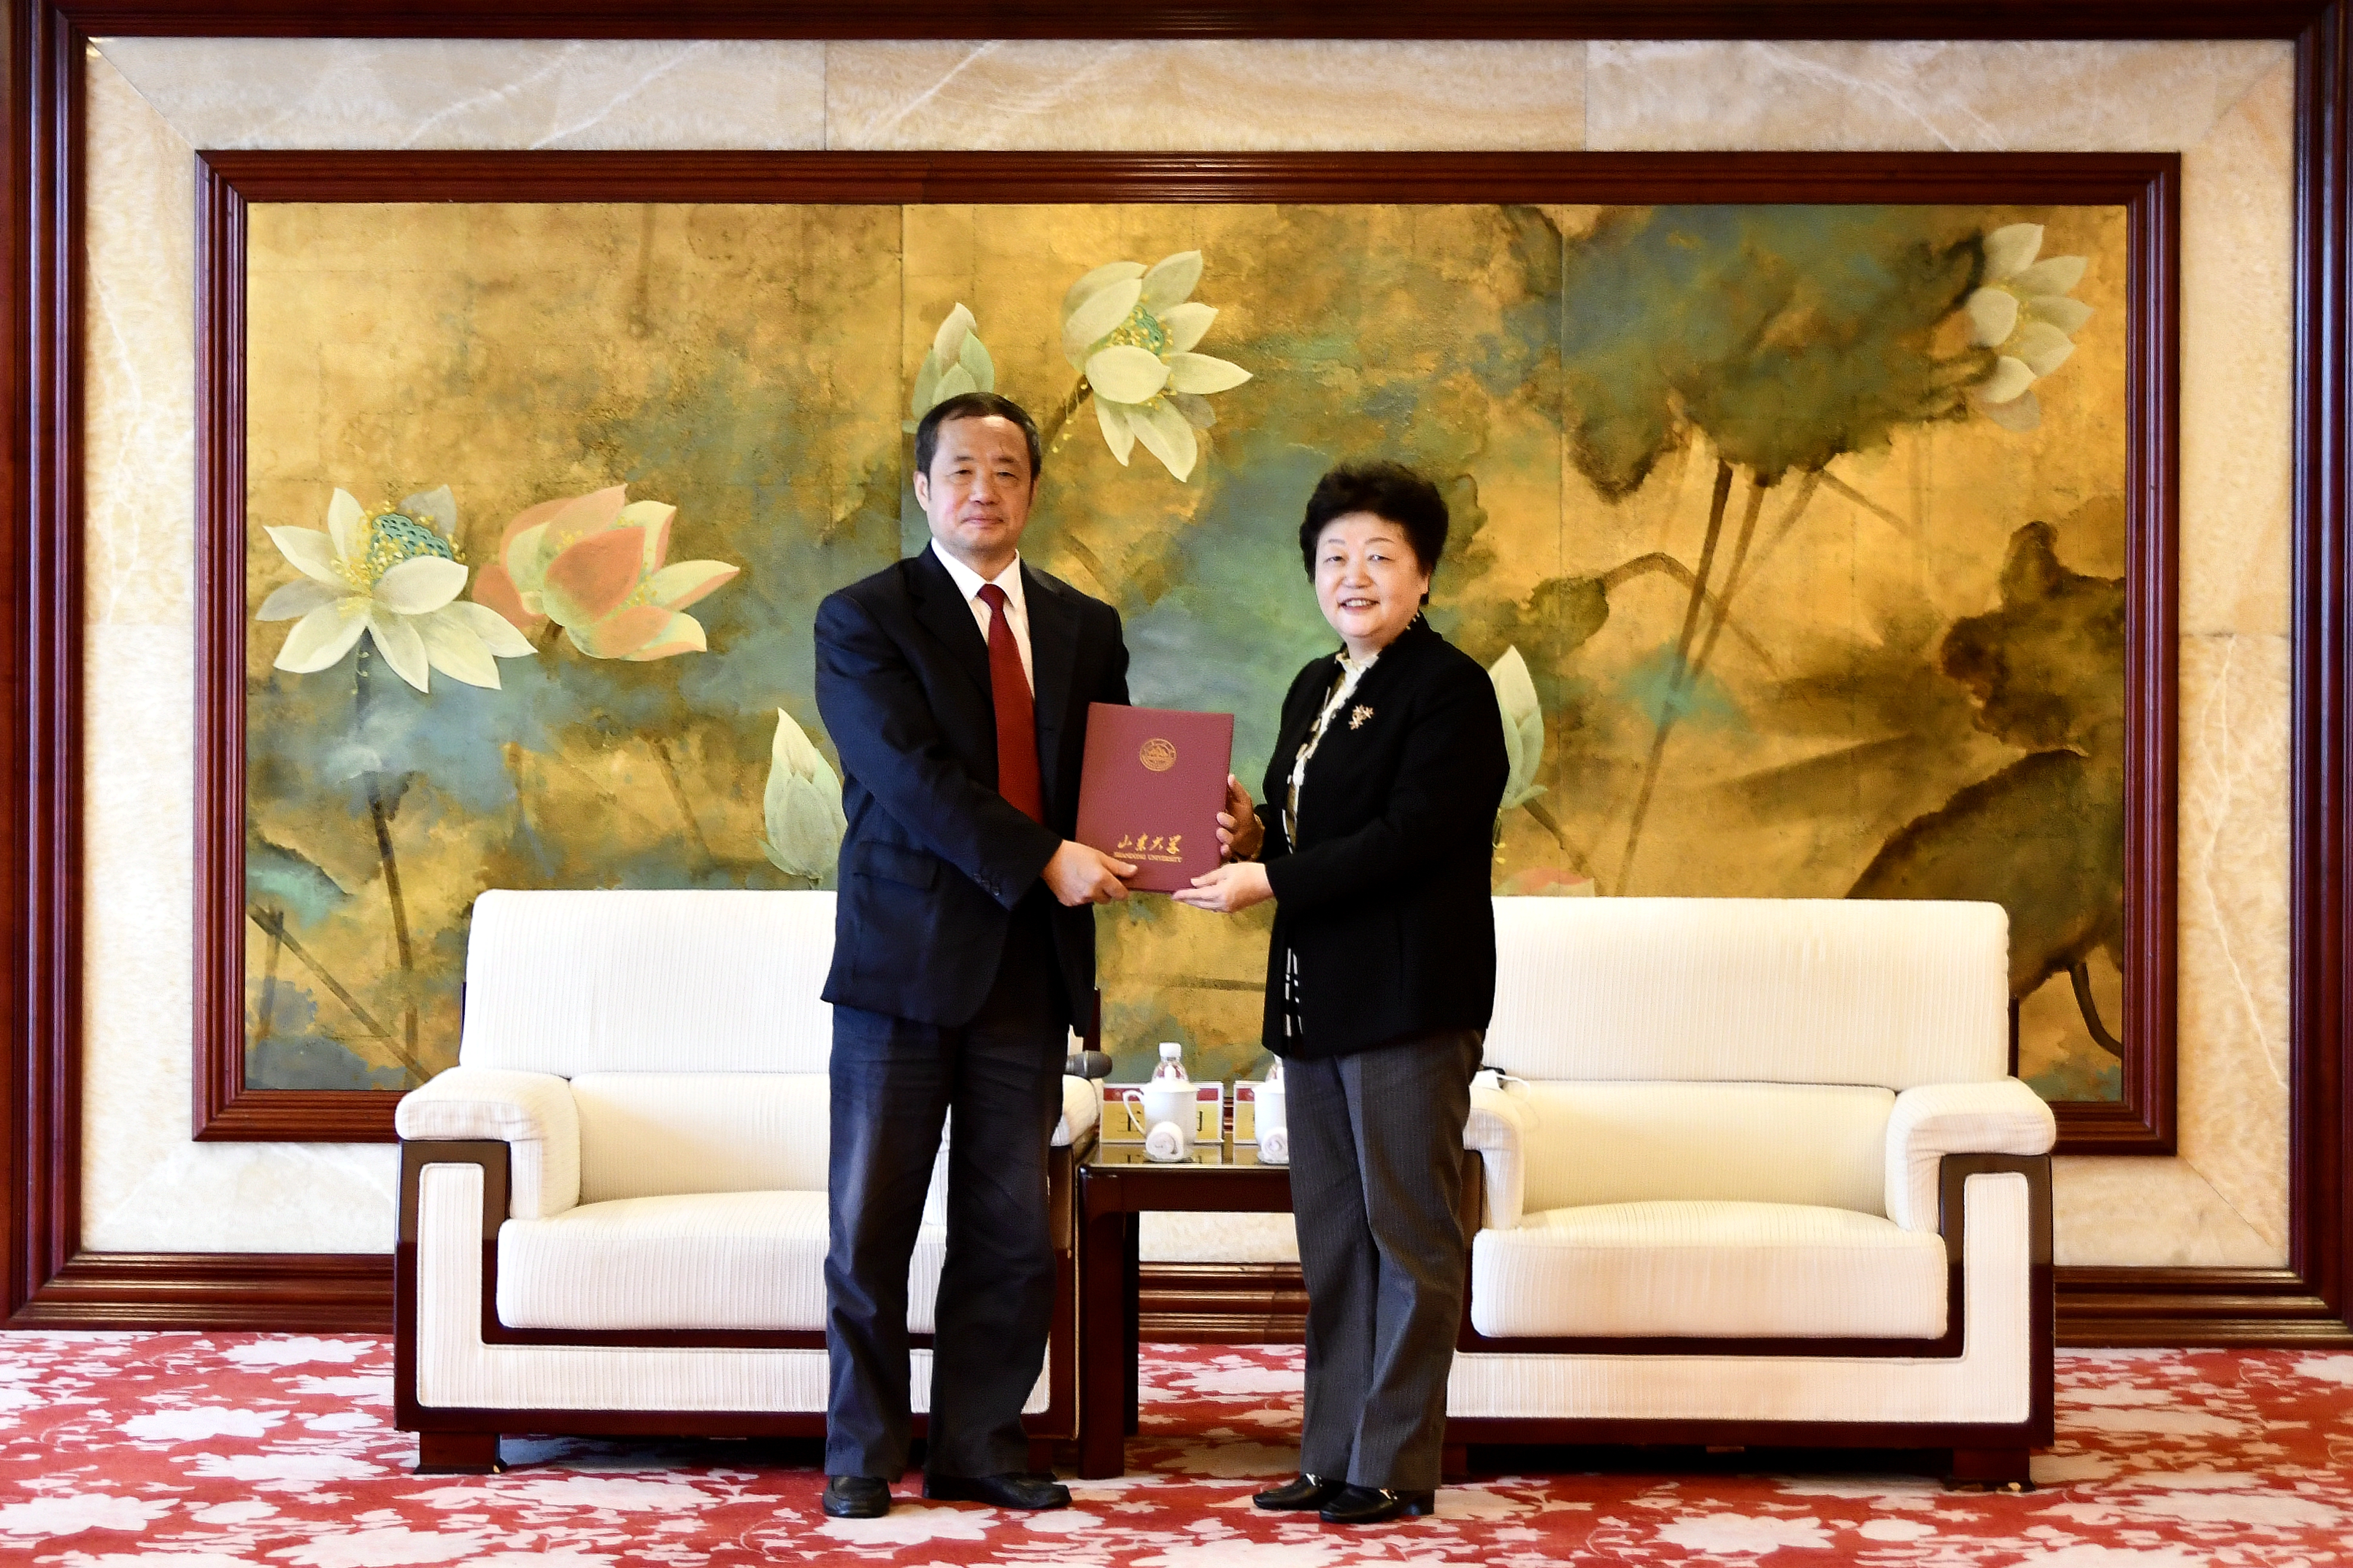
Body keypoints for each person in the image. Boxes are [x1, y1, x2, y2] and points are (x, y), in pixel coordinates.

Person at [814, 391, 1136, 1520]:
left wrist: (1195, 824)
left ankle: (979, 1443)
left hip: (1029, 969)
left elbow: (1111, 779)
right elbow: (909, 778)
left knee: (1010, 1227)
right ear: (922, 488)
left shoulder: (1085, 624)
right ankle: (861, 1450)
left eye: (1006, 471)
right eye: (960, 469)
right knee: (872, 1222)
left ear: (1033, 490)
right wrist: (1045, 854)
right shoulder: (863, 618)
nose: (983, 491)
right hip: (901, 966)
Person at [1174, 460, 1508, 1525]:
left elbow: (1410, 839)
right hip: (1316, 1002)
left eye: (1379, 556)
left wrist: (1269, 878)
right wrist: (1252, 835)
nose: (1353, 576)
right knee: (1333, 1239)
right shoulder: (1315, 685)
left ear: (1424, 574)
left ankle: (1395, 1464)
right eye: (1333, 558)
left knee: (1408, 1234)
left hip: (1409, 1002)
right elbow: (1309, 834)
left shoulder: (1450, 690)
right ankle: (1331, 1453)